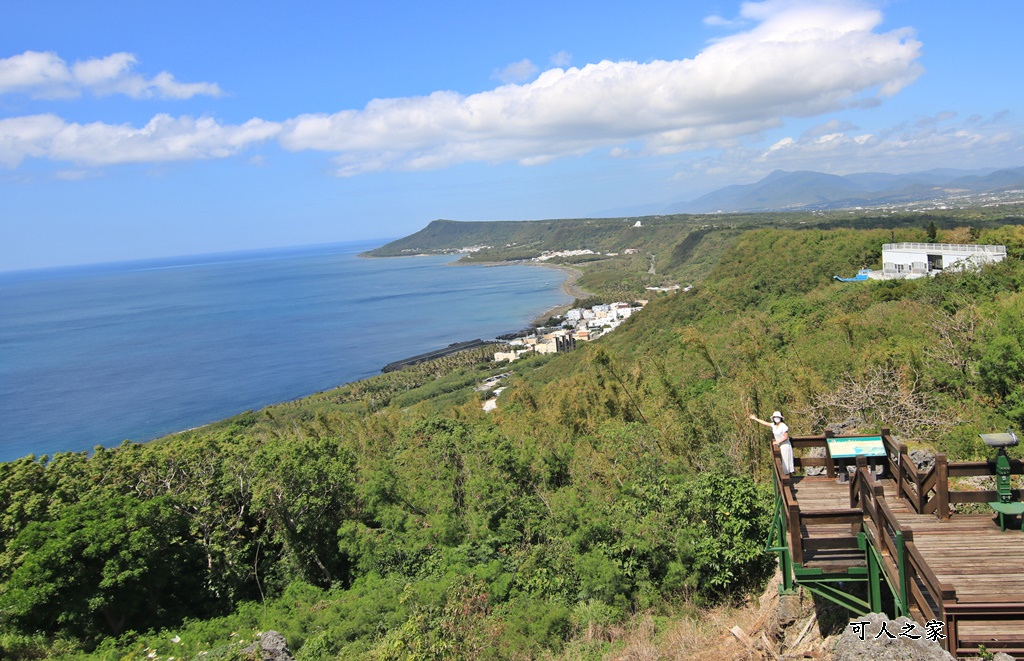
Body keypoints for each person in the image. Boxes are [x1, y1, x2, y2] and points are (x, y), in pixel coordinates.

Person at [749, 410, 794, 475]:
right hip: (780, 445)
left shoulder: (783, 426)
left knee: (786, 462)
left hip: (785, 445)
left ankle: (786, 477)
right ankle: (785, 476)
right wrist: (755, 418)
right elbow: (764, 423)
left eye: (777, 417)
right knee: (782, 461)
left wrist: (777, 442)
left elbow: (786, 437)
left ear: (780, 418)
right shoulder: (774, 425)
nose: (776, 418)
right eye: (775, 417)